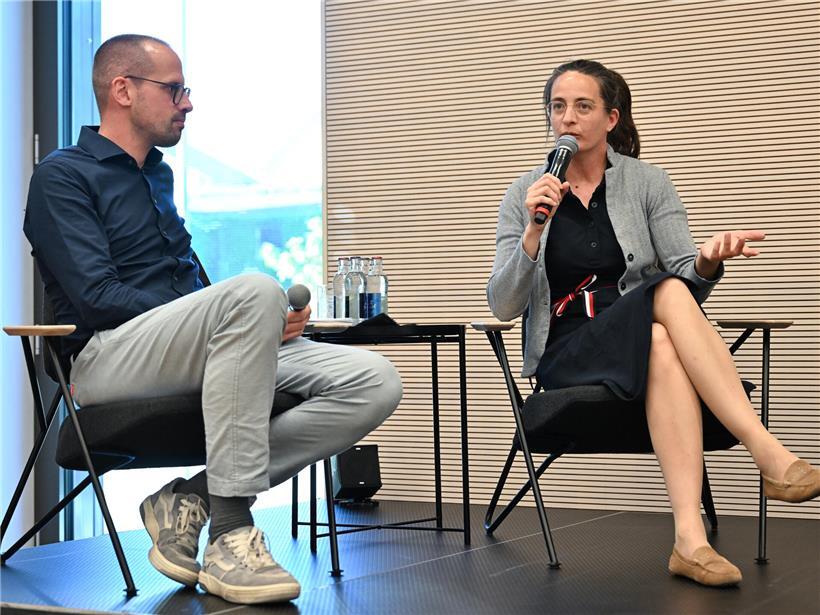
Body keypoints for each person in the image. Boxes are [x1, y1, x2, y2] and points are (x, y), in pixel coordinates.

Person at [24, 34, 403, 605]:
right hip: (107, 360)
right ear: (123, 90)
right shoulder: (63, 175)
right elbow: (98, 297)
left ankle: (192, 499)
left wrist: (261, 323)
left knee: (374, 380)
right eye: (174, 90)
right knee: (255, 289)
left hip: (185, 352)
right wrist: (237, 311)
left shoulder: (157, 175)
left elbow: (195, 290)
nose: (188, 103)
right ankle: (230, 533)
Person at [487, 59, 819, 588]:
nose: (567, 118)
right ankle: (766, 451)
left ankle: (689, 541)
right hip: (568, 349)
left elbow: (686, 273)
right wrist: (531, 231)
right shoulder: (525, 192)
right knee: (662, 293)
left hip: (638, 336)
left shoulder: (648, 182)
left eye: (583, 106)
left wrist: (707, 260)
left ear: (611, 118)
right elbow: (503, 305)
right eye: (558, 106)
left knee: (662, 333)